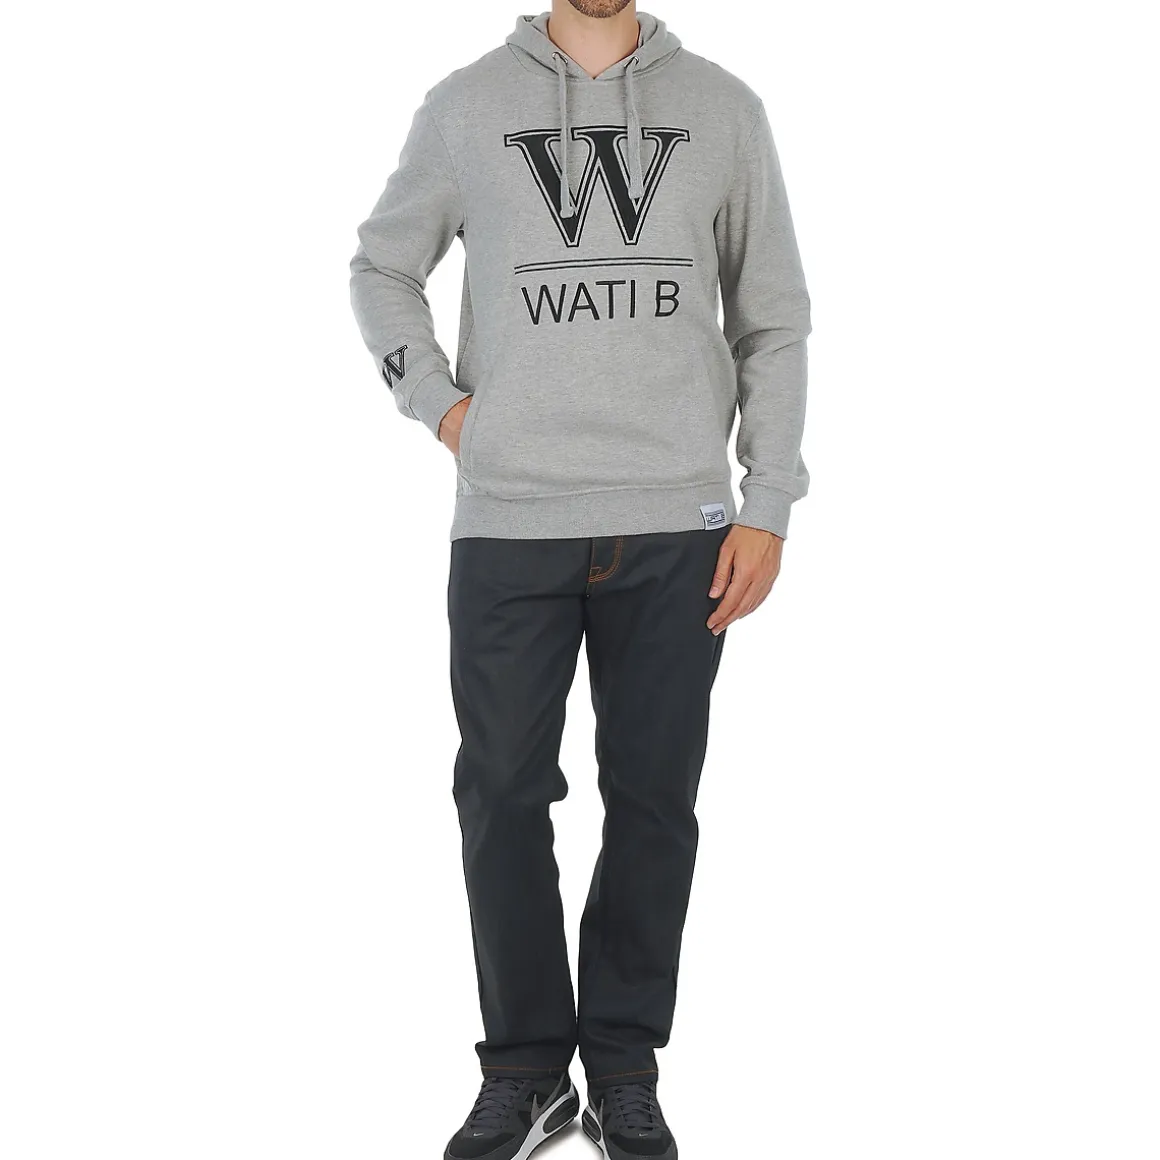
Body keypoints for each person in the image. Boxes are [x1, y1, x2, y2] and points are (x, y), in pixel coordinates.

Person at [349, 1, 810, 1155]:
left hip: (676, 521)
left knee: (652, 800)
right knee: (500, 792)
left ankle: (619, 1066)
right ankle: (524, 1068)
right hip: (510, 520)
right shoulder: (464, 107)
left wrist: (766, 500)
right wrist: (441, 406)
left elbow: (772, 319)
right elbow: (381, 267)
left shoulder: (722, 110)